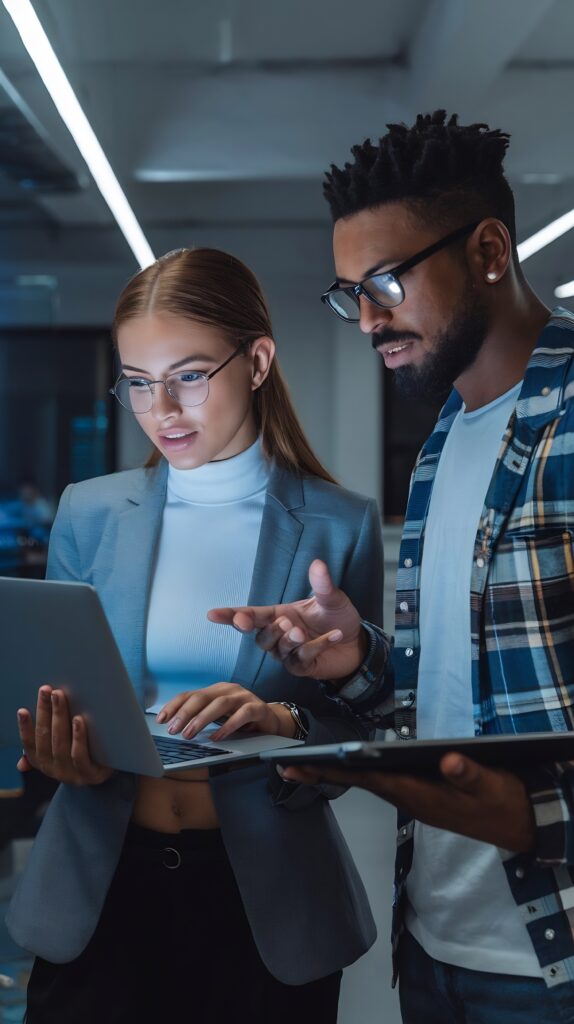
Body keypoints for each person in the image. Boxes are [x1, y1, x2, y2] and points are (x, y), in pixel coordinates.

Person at [208, 112, 574, 1023]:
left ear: (489, 249)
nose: (368, 319)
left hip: (550, 960)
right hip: (438, 945)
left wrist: (527, 815)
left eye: (385, 283)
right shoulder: (445, 440)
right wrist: (361, 662)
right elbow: (462, 699)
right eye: (349, 293)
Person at [7, 247, 383, 1024]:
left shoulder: (340, 524)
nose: (162, 410)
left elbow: (364, 729)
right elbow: (57, 687)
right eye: (138, 383)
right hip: (100, 888)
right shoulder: (90, 511)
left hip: (267, 902)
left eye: (188, 375)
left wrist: (284, 722)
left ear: (257, 362)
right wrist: (56, 753)